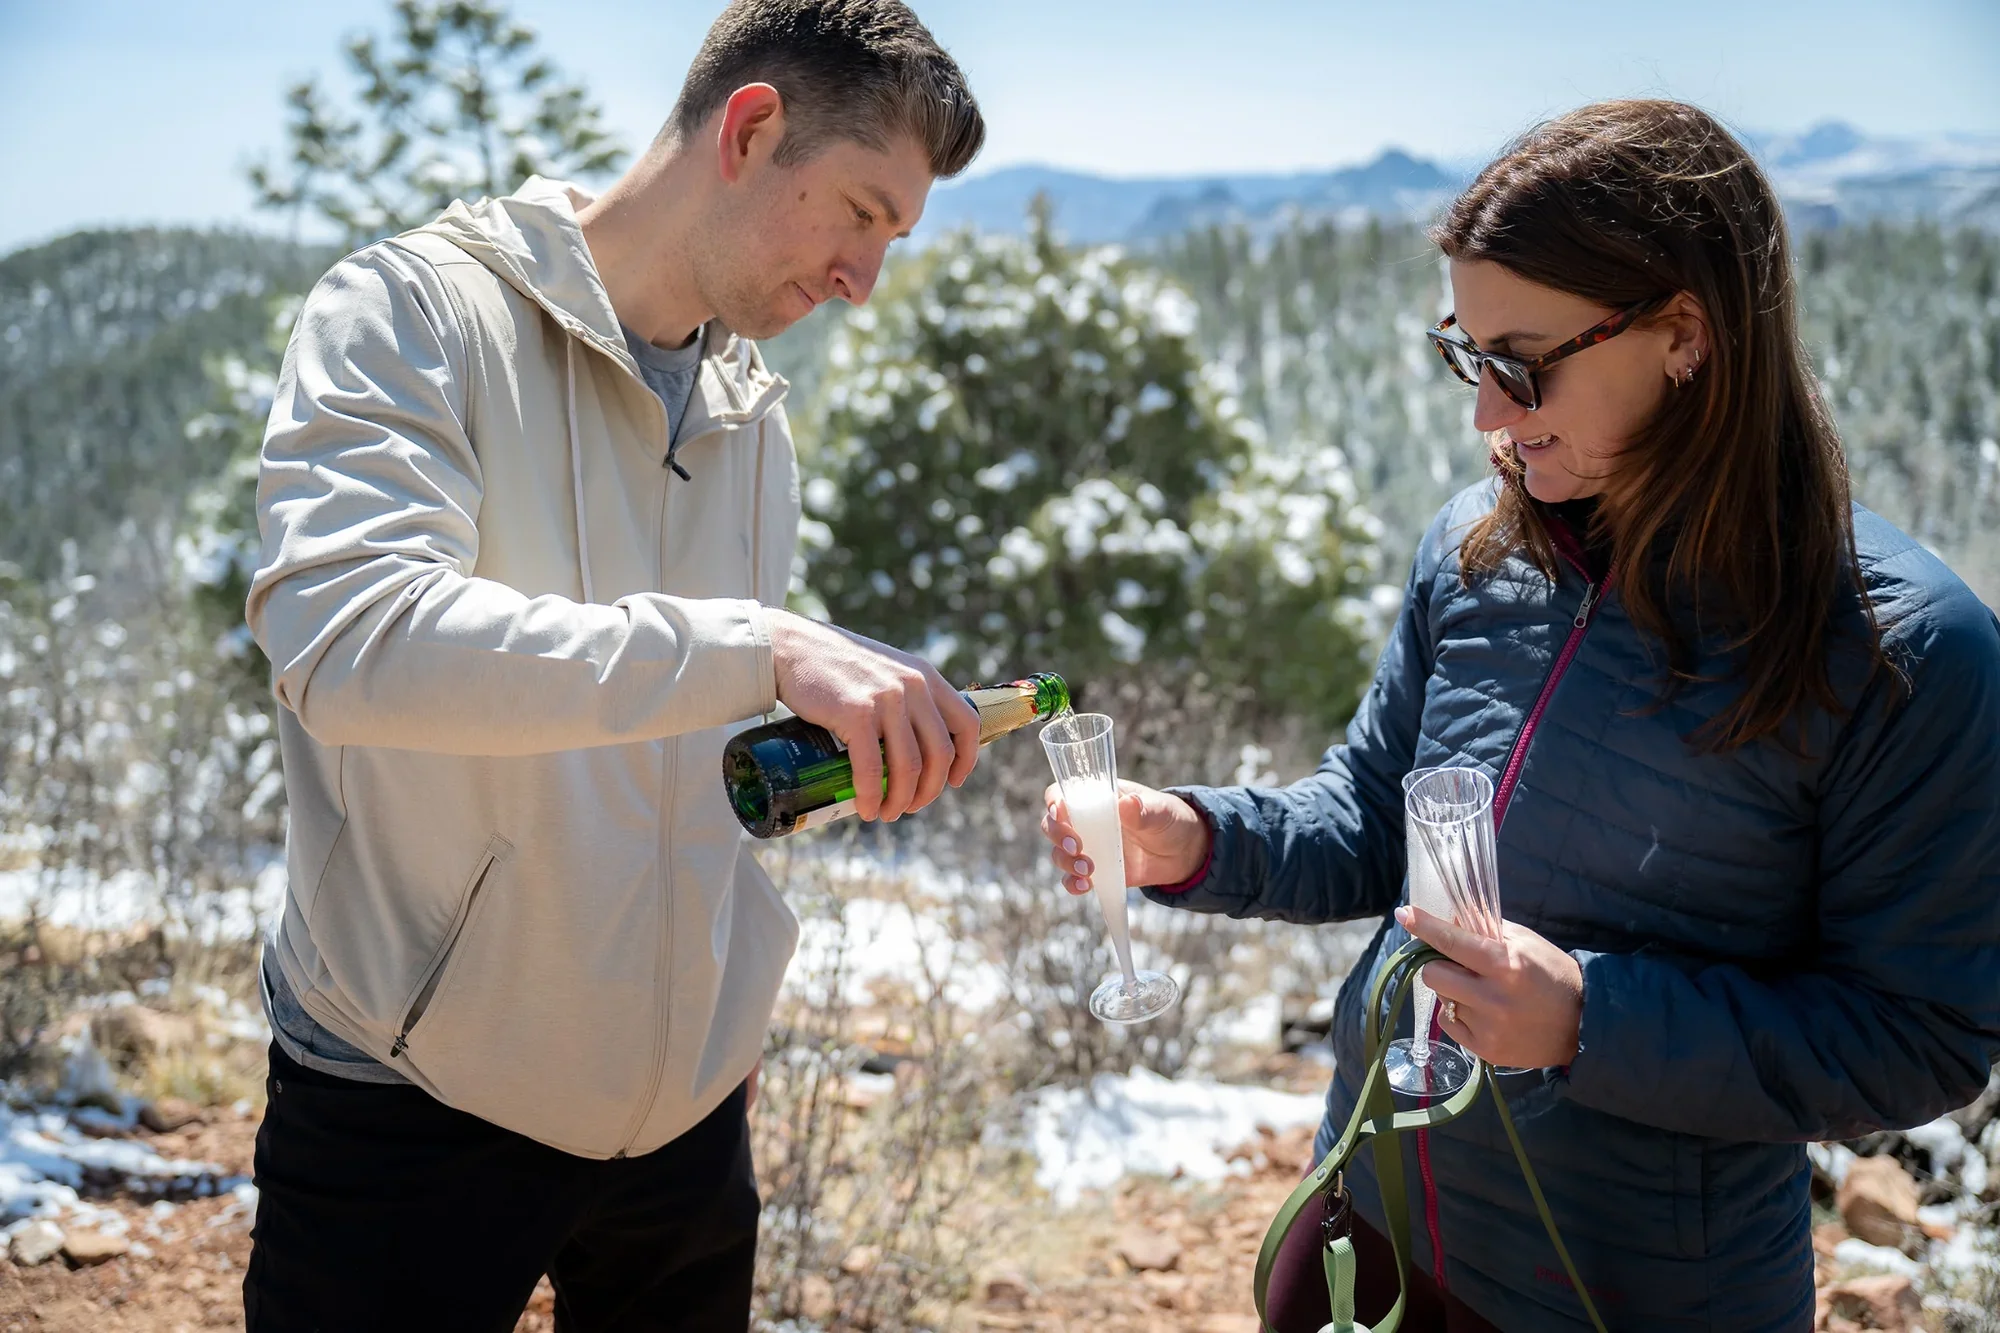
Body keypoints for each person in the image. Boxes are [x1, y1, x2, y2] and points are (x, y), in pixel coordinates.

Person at [1042, 99, 2000, 1331]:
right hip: (1369, 1232)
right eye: (1466, 356)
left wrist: (1590, 1020)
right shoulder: (1476, 548)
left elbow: (1915, 1037)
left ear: (1682, 337)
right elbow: (1373, 821)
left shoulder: (1902, 652)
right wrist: (1193, 835)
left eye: (1521, 365)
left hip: (1628, 1294)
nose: (1486, 417)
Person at [240, 3, 983, 1328]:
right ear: (752, 130)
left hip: (687, 1112)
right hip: (408, 1092)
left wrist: (789, 806)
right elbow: (353, 643)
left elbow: (671, 744)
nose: (866, 276)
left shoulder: (751, 414)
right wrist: (763, 647)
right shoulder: (410, 313)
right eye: (862, 212)